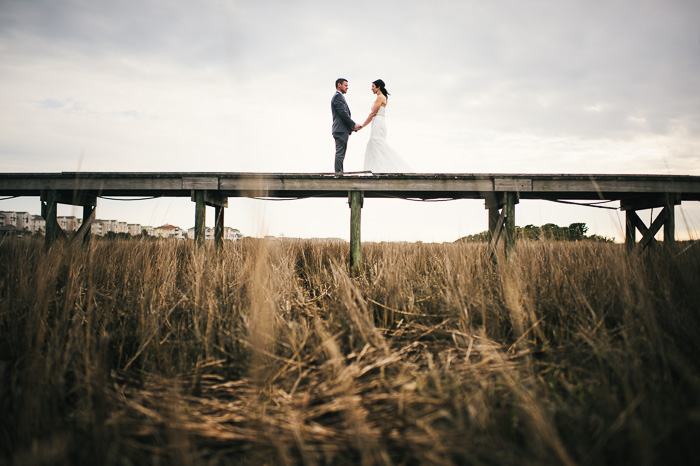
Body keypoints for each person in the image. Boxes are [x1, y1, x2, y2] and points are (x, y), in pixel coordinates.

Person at [359, 79, 412, 173]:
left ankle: (379, 169)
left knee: (377, 142)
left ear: (378, 87)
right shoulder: (381, 97)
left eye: (373, 86)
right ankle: (377, 168)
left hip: (378, 122)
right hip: (378, 122)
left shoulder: (380, 97)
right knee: (377, 144)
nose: (371, 89)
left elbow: (373, 113)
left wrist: (362, 126)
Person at [331, 78, 361, 174]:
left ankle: (340, 173)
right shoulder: (337, 97)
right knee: (340, 153)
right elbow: (343, 113)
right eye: (345, 85)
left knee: (341, 154)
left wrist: (352, 127)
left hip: (341, 129)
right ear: (339, 85)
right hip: (340, 130)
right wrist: (353, 125)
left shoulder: (339, 97)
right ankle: (339, 174)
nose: (347, 87)